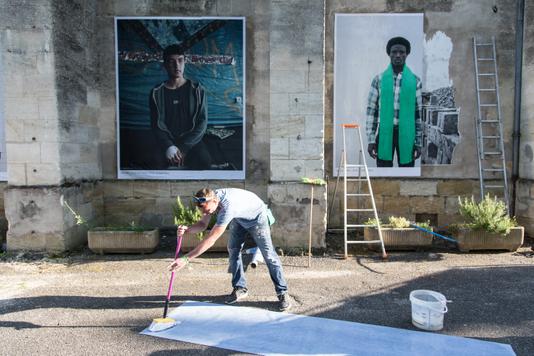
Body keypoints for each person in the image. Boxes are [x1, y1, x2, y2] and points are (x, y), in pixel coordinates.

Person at [168, 188, 291, 311]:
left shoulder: (227, 208)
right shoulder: (208, 199)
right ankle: (240, 288)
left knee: (268, 255)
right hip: (240, 217)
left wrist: (186, 258)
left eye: (208, 210)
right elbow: (203, 224)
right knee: (233, 249)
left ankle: (282, 292)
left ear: (215, 201)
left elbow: (211, 240)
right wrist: (188, 230)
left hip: (257, 217)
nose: (206, 213)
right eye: (204, 211)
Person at [150, 44, 212, 170]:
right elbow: (156, 124)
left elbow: (202, 122)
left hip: (191, 141)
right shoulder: (156, 92)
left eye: (180, 60)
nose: (177, 66)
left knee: (204, 161)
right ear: (165, 65)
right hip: (168, 140)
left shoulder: (197, 90)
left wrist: (183, 148)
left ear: (185, 62)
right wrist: (169, 146)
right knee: (154, 163)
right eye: (172, 62)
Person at [366, 36, 423, 167]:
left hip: (407, 134)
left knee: (407, 170)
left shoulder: (415, 81)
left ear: (407, 54)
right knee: (383, 171)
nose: (398, 55)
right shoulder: (379, 80)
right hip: (385, 133)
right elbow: (371, 111)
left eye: (402, 52)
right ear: (389, 54)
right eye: (394, 52)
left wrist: (418, 142)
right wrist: (371, 139)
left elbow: (418, 115)